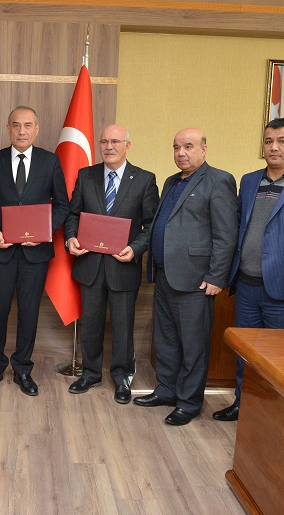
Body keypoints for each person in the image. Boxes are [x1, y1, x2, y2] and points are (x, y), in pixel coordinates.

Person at [212, 118, 284, 422]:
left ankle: (277, 416)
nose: (274, 147)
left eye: (282, 141)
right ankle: (243, 405)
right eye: (268, 141)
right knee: (246, 352)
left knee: (282, 357)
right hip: (246, 285)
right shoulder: (249, 180)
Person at [134, 128, 238, 426]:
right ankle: (167, 390)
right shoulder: (171, 181)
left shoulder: (219, 180)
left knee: (193, 346)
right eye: (177, 147)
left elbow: (226, 234)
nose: (181, 152)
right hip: (165, 275)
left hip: (195, 280)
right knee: (166, 340)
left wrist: (216, 276)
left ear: (204, 149)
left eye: (188, 146)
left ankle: (189, 402)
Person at [64, 124, 159, 404]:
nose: (109, 146)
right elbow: (73, 215)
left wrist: (136, 249)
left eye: (115, 141)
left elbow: (152, 225)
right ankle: (90, 374)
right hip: (90, 265)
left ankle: (122, 377)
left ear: (127, 145)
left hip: (124, 266)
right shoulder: (86, 175)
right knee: (90, 324)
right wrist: (71, 238)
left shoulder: (144, 179)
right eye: (104, 141)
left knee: (122, 326)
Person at [0, 106, 69, 396]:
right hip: (0, 252)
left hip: (35, 254)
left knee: (29, 312)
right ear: (8, 129)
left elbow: (63, 205)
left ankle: (22, 370)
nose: (21, 131)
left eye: (27, 125)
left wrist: (44, 232)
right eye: (16, 125)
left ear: (36, 129)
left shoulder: (50, 161)